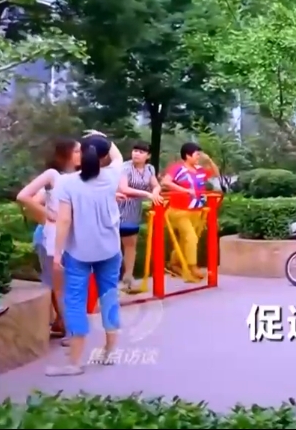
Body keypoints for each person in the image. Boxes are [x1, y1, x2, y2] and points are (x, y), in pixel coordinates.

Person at [47, 132, 126, 377]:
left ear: (83, 154)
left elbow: (64, 220)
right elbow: (117, 156)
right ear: (103, 156)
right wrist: (102, 138)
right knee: (109, 297)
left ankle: (74, 362)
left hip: (79, 252)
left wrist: (57, 253)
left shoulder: (67, 183)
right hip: (110, 249)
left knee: (75, 302)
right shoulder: (112, 175)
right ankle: (109, 352)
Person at [16, 138, 81, 341]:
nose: (81, 154)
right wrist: (48, 214)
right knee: (59, 285)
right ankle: (69, 329)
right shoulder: (53, 176)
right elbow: (24, 196)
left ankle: (65, 325)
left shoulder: (80, 177)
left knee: (71, 285)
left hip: (74, 237)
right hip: (54, 238)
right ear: (66, 154)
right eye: (77, 151)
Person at [161, 142, 219, 280]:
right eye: (196, 154)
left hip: (196, 210)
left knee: (187, 240)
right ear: (187, 155)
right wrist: (185, 190)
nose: (198, 157)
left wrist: (209, 160)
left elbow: (216, 173)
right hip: (179, 210)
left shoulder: (199, 170)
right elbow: (165, 182)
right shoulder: (178, 168)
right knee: (191, 237)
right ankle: (192, 266)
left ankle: (174, 263)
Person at [117, 142, 163, 291]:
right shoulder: (125, 167)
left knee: (131, 245)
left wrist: (155, 192)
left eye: (141, 152)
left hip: (133, 211)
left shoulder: (149, 169)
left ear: (148, 156)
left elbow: (156, 185)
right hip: (118, 208)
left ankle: (128, 277)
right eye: (135, 150)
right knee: (114, 246)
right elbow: (124, 188)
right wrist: (147, 194)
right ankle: (111, 280)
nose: (136, 154)